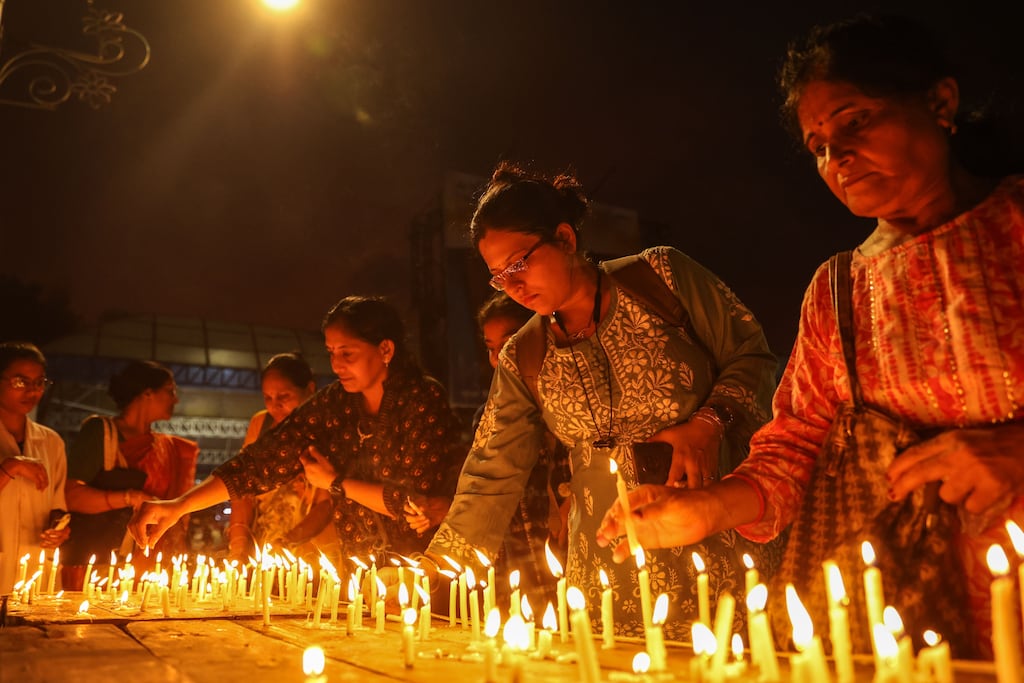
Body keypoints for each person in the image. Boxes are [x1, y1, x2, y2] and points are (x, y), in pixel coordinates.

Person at [597, 13, 1024, 659]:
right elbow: (796, 444)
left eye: (855, 121)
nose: (838, 158)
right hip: (904, 610)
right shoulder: (840, 288)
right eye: (819, 145)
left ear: (941, 103)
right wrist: (704, 509)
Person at [425, 162, 780, 639]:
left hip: (712, 538)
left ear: (566, 239)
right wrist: (432, 569)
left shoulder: (662, 278)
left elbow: (753, 355)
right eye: (497, 276)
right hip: (605, 567)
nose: (512, 285)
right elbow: (493, 467)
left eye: (520, 263)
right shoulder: (522, 354)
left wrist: (709, 423)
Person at [128, 296, 467, 573]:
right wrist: (179, 506)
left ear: (386, 350)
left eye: (347, 353)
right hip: (361, 573)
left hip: (426, 571)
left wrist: (335, 483)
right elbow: (262, 461)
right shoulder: (335, 403)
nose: (336, 366)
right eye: (331, 353)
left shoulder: (422, 399)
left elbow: (414, 503)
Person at [471, 291, 567, 612]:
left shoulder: (570, 405)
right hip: (510, 561)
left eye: (510, 343)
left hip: (563, 553)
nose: (500, 358)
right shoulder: (488, 417)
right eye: (491, 348)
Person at [64, 360, 198, 585]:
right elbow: (71, 496)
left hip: (148, 561)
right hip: (98, 560)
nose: (175, 399)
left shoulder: (168, 447)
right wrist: (131, 497)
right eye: (170, 391)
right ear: (147, 393)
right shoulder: (102, 432)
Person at [226, 352, 335, 563]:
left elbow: (326, 503)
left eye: (284, 397)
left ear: (310, 389)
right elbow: (243, 488)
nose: (274, 406)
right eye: (268, 398)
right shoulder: (261, 425)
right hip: (262, 549)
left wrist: (287, 543)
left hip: (310, 554)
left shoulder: (327, 429)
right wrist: (238, 548)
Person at [0, 342, 69, 595]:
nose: (32, 391)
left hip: (36, 570)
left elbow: (58, 506)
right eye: (20, 382)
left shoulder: (51, 442)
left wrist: (59, 530)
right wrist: (11, 466)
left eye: (39, 382)